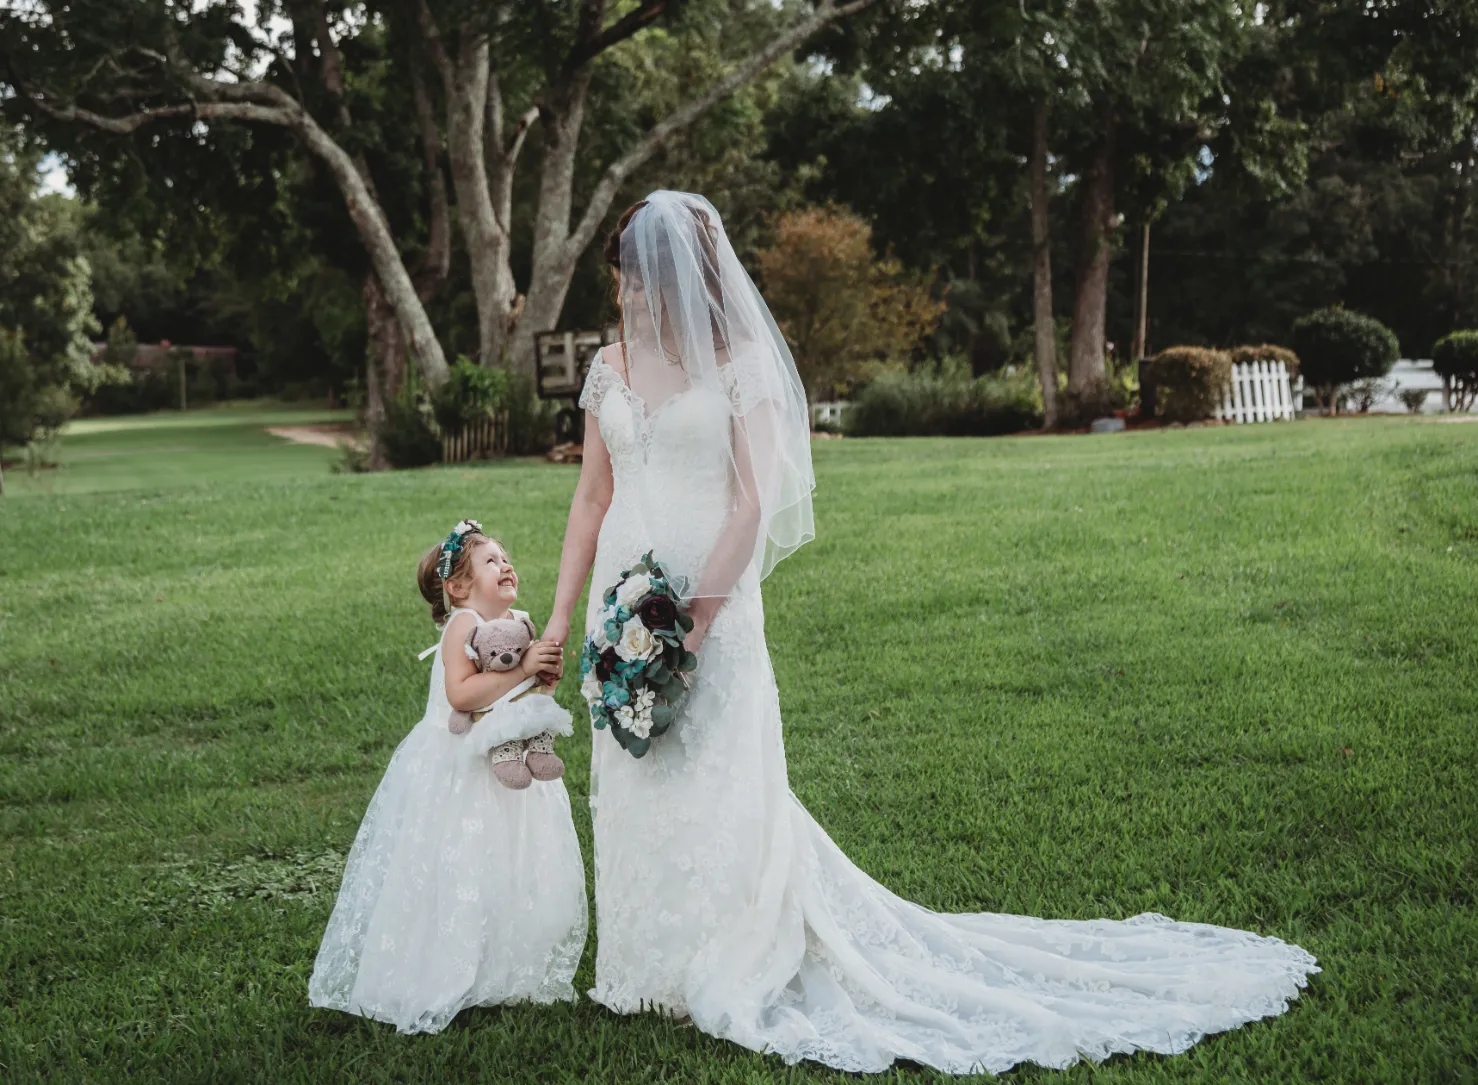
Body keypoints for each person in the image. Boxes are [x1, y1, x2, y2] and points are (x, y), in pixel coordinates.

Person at [542, 191, 1318, 1075]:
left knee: (716, 772)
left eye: (635, 281)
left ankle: (725, 955)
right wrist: (570, 617)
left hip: (707, 603)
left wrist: (697, 621)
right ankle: (645, 969)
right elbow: (592, 498)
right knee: (638, 770)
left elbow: (754, 499)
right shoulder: (608, 369)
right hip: (623, 603)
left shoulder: (742, 363)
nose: (629, 298)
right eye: (625, 283)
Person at [308, 520, 586, 1034]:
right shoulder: (463, 624)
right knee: (461, 863)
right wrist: (523, 668)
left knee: (509, 864)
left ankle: (502, 964)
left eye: (506, 558)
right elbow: (462, 695)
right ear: (457, 587)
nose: (506, 566)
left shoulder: (520, 622)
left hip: (510, 766)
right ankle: (445, 962)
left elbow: (520, 695)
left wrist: (543, 678)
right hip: (460, 770)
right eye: (490, 561)